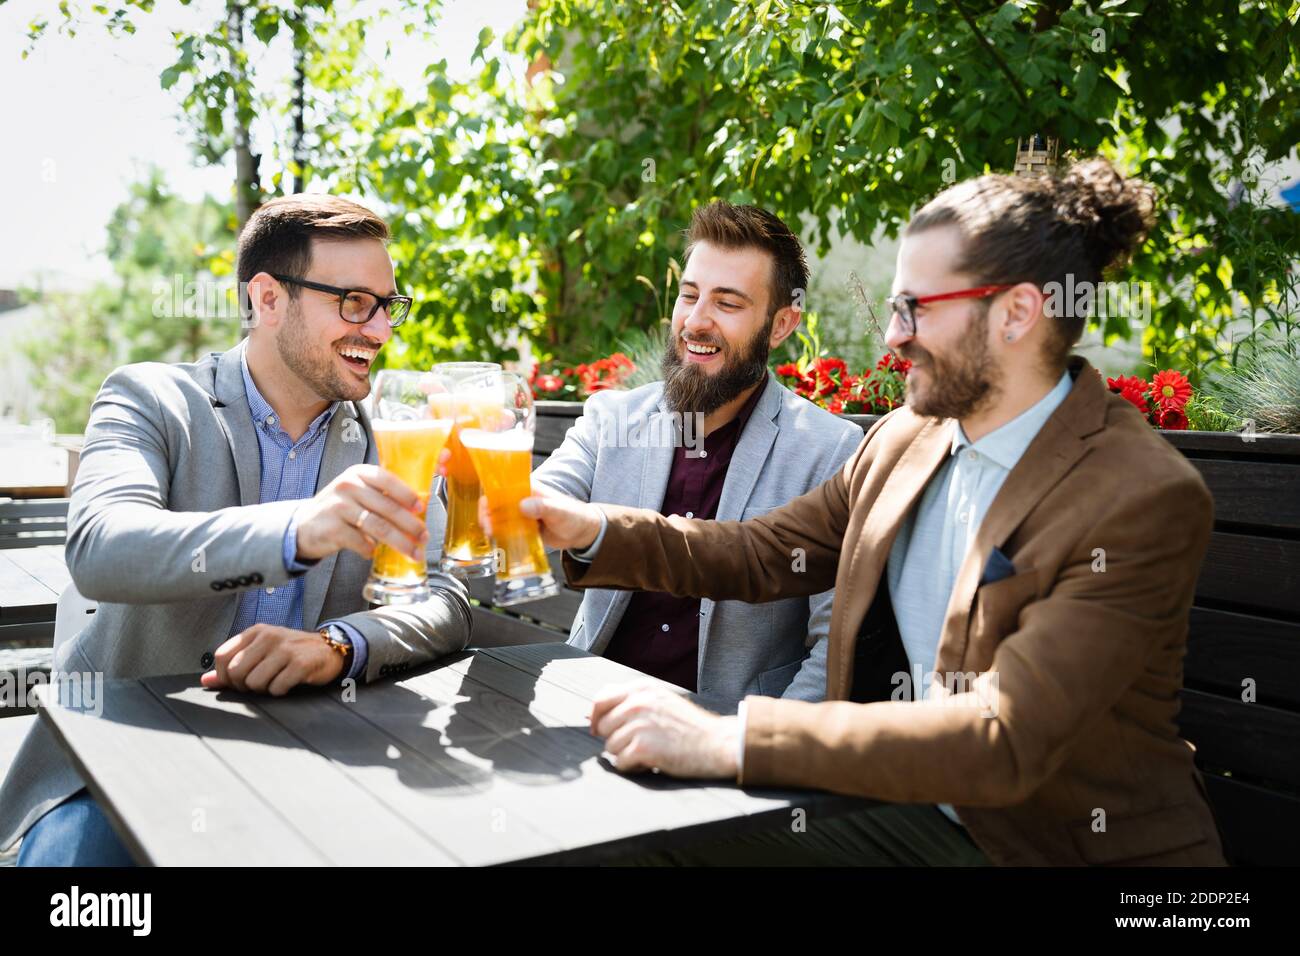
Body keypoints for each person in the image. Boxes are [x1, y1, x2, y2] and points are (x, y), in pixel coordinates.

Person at [518, 159, 1227, 866]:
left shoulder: (1138, 496)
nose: (892, 335)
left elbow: (1002, 739)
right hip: (907, 813)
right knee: (617, 837)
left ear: (1015, 313)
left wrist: (727, 738)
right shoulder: (905, 439)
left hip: (1051, 851)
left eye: (918, 307)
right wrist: (594, 528)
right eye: (895, 307)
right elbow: (763, 553)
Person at [0, 195, 473, 866]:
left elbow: (446, 605)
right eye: (354, 302)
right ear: (268, 298)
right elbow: (101, 548)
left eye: (387, 305)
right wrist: (294, 529)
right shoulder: (150, 399)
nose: (379, 330)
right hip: (123, 759)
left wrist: (338, 646)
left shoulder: (394, 438)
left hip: (307, 763)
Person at [531, 201, 861, 708]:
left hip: (723, 740)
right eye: (689, 296)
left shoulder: (828, 450)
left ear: (781, 324)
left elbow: (834, 648)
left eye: (727, 304)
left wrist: (744, 749)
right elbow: (541, 498)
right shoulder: (612, 417)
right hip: (587, 710)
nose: (696, 322)